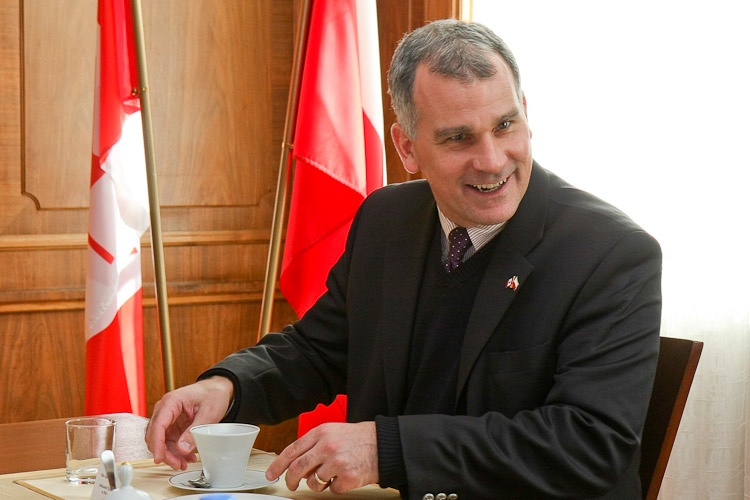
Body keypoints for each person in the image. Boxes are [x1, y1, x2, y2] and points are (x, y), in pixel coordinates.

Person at [145, 19, 662, 499]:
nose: (491, 160)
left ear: (526, 112)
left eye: (505, 125)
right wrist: (228, 386)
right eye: (458, 138)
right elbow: (318, 350)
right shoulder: (386, 218)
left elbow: (590, 443)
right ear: (407, 148)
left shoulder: (611, 253)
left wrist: (386, 449)